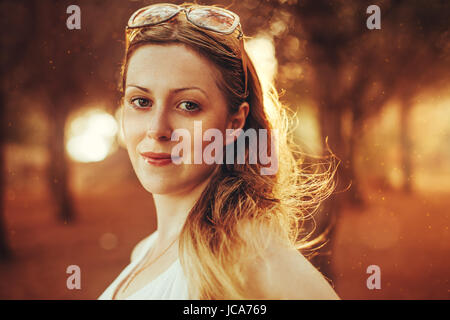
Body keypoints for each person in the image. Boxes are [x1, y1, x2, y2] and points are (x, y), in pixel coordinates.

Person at [98, 2, 340, 300]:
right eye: (141, 101)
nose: (157, 129)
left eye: (188, 105)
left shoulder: (250, 257)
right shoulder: (145, 250)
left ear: (233, 123)